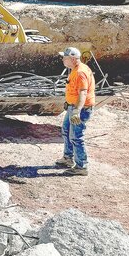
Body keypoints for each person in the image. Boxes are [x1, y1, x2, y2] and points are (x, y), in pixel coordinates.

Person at [55, 47, 95, 176]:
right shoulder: (75, 70)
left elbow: (83, 93)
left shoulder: (80, 72)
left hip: (80, 109)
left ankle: (81, 166)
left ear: (72, 59)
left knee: (76, 137)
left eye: (64, 57)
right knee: (66, 130)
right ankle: (68, 158)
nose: (62, 60)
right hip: (73, 107)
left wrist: (77, 111)